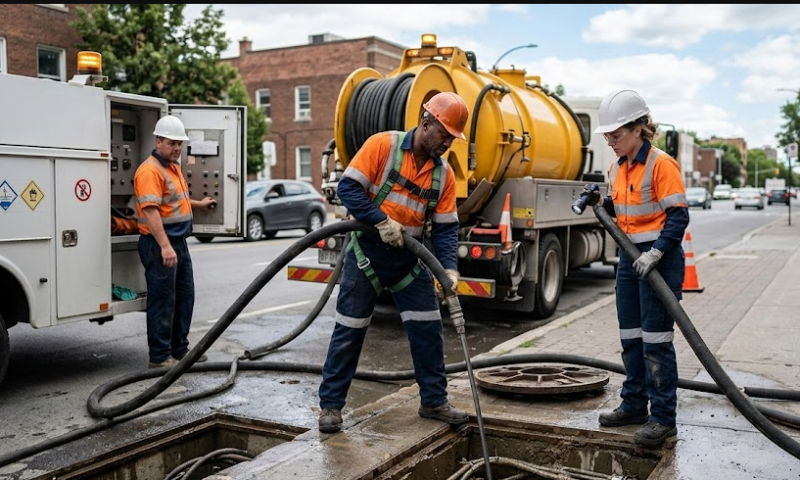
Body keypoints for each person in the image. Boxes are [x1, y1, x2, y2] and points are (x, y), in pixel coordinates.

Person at [318, 92, 469, 434]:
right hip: (367, 254)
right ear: (425, 122)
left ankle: (433, 401)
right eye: (443, 134)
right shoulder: (382, 146)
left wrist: (448, 269)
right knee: (349, 331)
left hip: (409, 262)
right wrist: (381, 221)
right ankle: (331, 406)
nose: (447, 143)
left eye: (452, 138)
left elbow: (446, 230)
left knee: (427, 330)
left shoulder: (443, 175)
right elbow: (349, 189)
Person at [580, 89, 688, 447]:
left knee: (656, 341)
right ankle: (634, 405)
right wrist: (603, 203)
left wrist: (655, 253)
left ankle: (663, 419)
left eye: (616, 134)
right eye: (607, 135)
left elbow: (677, 216)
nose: (610, 141)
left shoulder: (661, 164)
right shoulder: (617, 166)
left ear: (639, 128)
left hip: (658, 260)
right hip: (629, 259)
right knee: (631, 338)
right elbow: (625, 209)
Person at [134, 115, 216, 369]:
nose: (177, 148)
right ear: (158, 141)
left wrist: (198, 204)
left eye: (180, 143)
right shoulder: (149, 170)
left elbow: (174, 201)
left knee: (184, 297)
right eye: (172, 143)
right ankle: (159, 357)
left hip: (178, 243)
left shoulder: (172, 166)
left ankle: (179, 349)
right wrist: (165, 246)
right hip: (161, 245)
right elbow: (151, 211)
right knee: (163, 300)